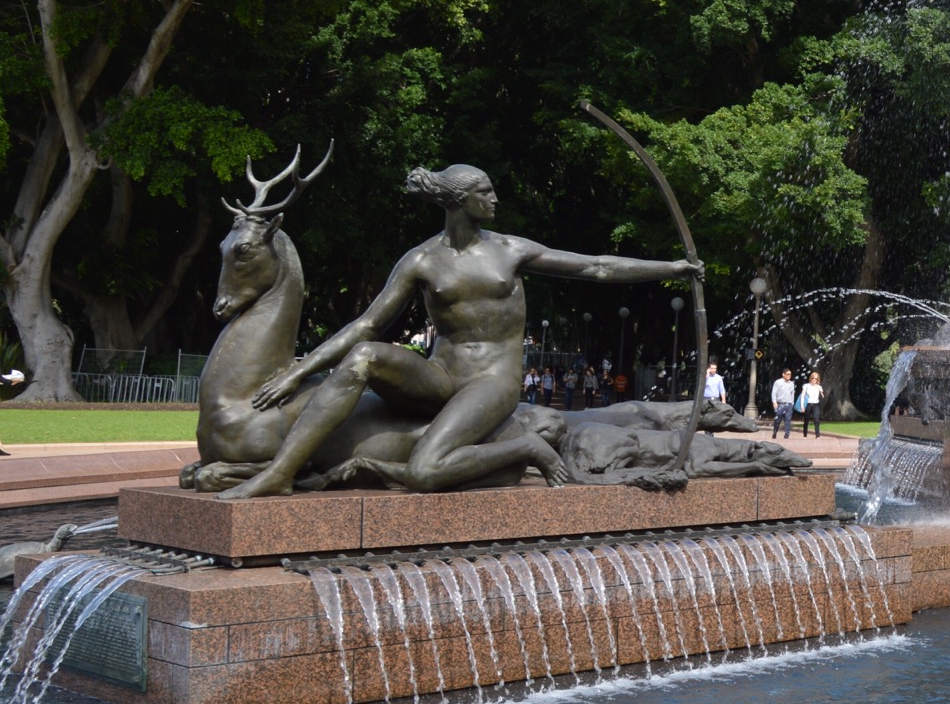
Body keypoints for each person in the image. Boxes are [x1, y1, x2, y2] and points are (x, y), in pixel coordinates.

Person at [220, 163, 699, 498]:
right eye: (485, 192)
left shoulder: (510, 249)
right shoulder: (422, 259)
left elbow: (595, 267)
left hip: (491, 383)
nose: (495, 199)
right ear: (459, 201)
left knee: (426, 470)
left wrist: (672, 267)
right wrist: (297, 372)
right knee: (365, 354)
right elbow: (367, 323)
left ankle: (525, 447)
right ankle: (281, 471)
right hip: (441, 376)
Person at [770, 369, 797, 438]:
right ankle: (775, 431)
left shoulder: (791, 383)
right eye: (787, 374)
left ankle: (787, 434)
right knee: (777, 420)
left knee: (788, 420)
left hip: (789, 404)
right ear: (783, 374)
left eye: (790, 374)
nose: (789, 376)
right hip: (780, 404)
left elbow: (792, 394)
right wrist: (774, 402)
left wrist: (792, 403)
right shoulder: (778, 382)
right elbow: (774, 392)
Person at [802, 370, 824, 437]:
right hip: (808, 404)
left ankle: (817, 435)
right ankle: (805, 435)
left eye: (816, 378)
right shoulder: (806, 386)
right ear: (810, 378)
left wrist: (821, 393)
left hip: (815, 404)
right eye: (813, 378)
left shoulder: (819, 387)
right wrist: (802, 406)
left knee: (816, 419)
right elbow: (802, 396)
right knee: (806, 420)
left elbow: (822, 396)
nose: (814, 380)